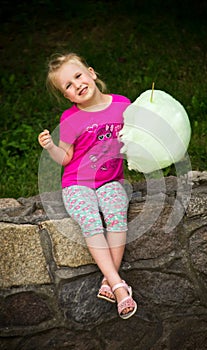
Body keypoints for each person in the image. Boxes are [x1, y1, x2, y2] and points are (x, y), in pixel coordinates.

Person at [38, 52, 137, 320]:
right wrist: (50, 148)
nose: (77, 85)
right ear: (68, 96)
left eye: (78, 76)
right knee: (90, 219)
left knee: (117, 214)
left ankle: (109, 281)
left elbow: (132, 140)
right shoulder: (71, 118)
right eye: (68, 86)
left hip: (111, 180)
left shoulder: (122, 105)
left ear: (91, 73)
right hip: (76, 183)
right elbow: (65, 158)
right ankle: (118, 285)